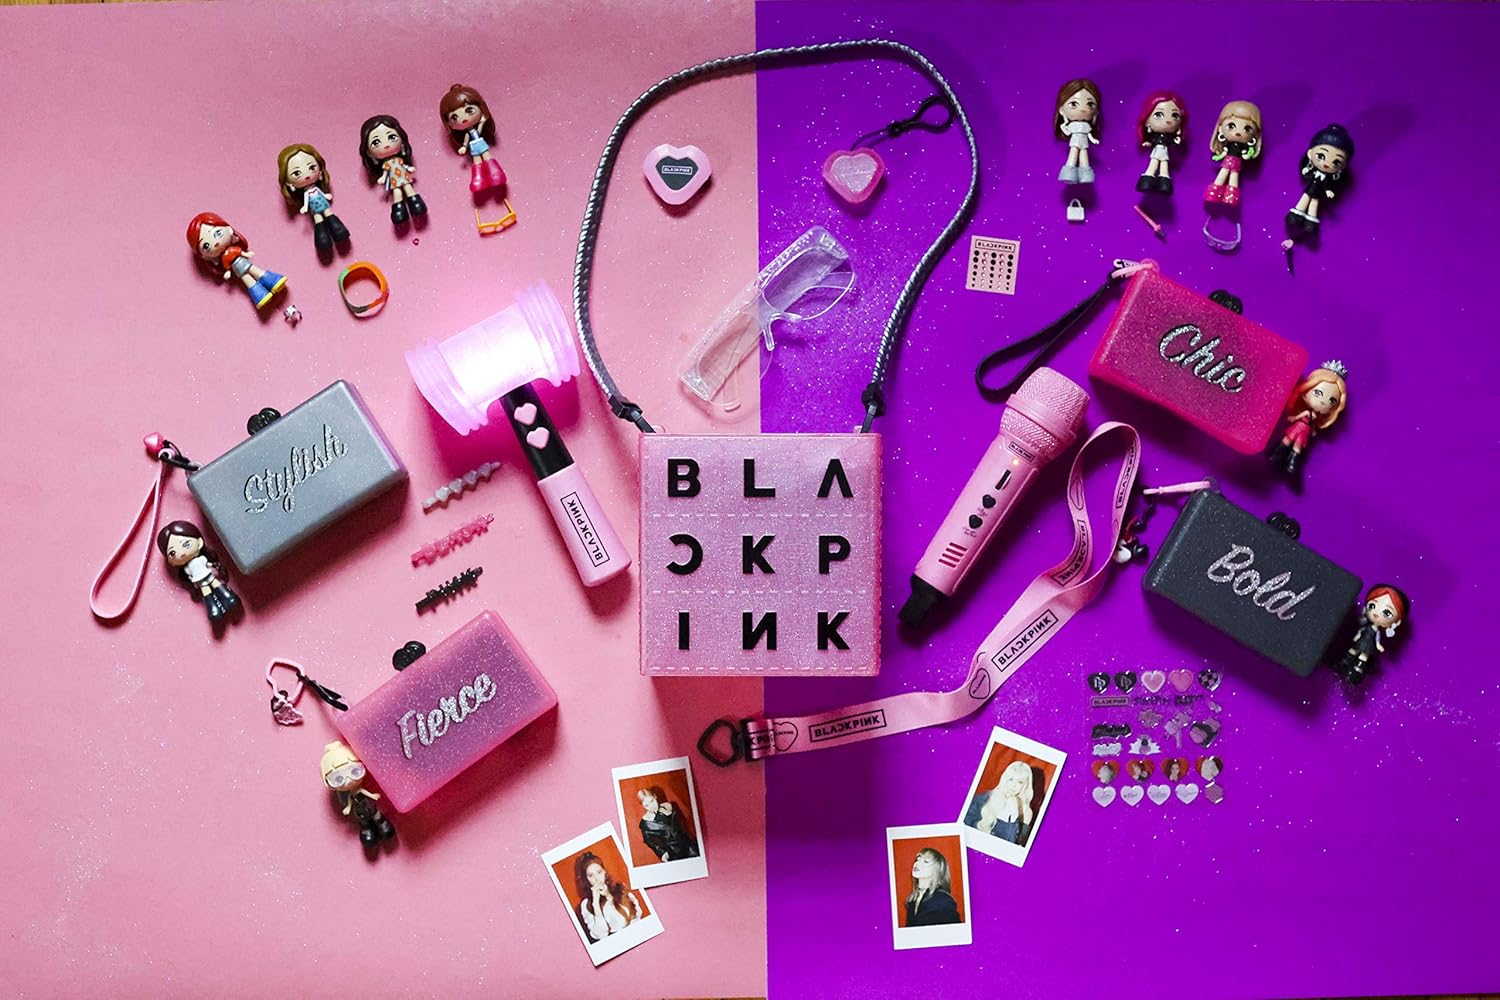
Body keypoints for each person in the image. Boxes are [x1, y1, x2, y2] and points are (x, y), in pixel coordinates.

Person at [574, 851, 643, 943]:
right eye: (590, 875)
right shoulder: (586, 904)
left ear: (604, 872)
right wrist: (595, 904)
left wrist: (608, 895)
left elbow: (637, 914)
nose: (596, 878)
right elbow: (601, 935)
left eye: (599, 872)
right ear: (586, 879)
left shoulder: (620, 889)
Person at [963, 759, 1035, 846]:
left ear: (1025, 785)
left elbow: (1020, 845)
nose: (1014, 785)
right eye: (1011, 779)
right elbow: (964, 827)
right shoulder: (984, 799)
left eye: (1020, 782)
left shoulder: (1025, 811)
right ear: (1005, 778)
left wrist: (1025, 822)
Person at [636, 785, 699, 863]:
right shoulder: (646, 823)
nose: (651, 806)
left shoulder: (669, 806)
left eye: (652, 801)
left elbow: (680, 824)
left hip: (688, 844)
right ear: (642, 806)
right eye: (646, 805)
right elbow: (649, 841)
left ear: (655, 796)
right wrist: (661, 853)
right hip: (673, 853)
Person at [903, 848, 961, 927]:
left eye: (926, 861)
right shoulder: (913, 901)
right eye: (918, 859)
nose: (917, 863)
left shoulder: (943, 901)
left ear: (937, 870)